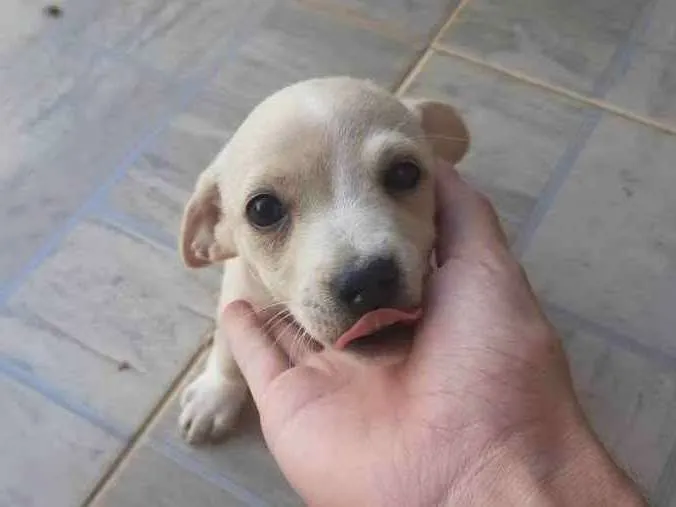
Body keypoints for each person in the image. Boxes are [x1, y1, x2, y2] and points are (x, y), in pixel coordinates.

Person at [222, 167, 646, 506]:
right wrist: (222, 379)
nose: (361, 266)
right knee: (238, 323)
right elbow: (231, 323)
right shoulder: (240, 272)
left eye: (399, 176)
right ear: (216, 231)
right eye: (266, 211)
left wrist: (477, 466)